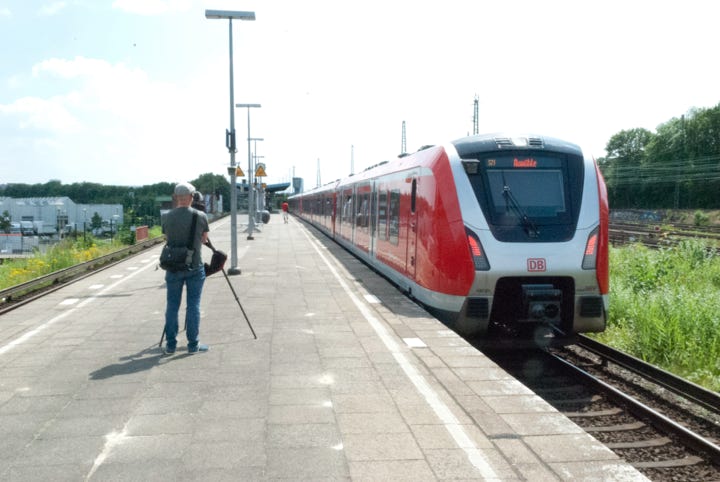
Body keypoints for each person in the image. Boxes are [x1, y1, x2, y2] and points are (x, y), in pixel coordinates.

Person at [161, 182, 210, 354]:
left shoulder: (167, 217)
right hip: (194, 267)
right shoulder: (201, 216)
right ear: (191, 197)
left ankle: (171, 345)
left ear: (176, 198)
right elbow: (204, 240)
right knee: (193, 305)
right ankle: (192, 345)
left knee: (172, 305)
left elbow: (167, 237)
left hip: (173, 267)